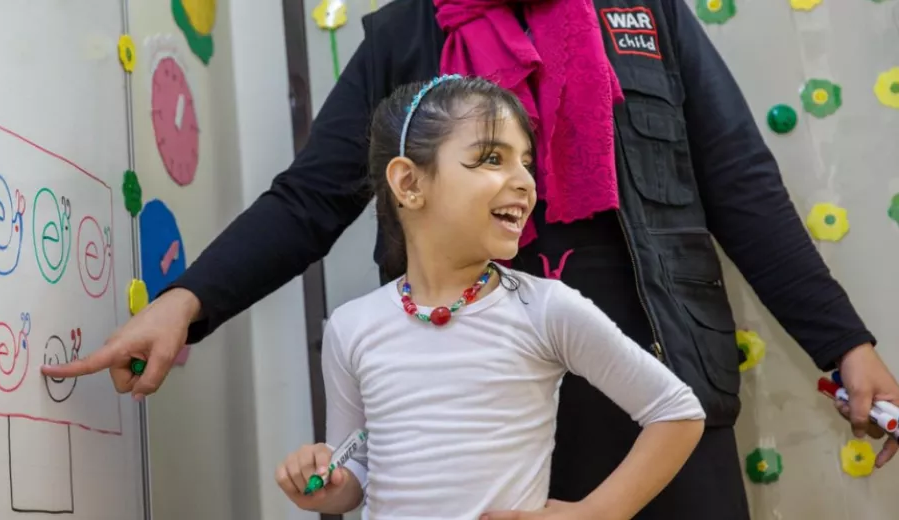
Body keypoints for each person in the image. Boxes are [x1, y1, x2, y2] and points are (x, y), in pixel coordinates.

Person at [43, 0, 899, 517]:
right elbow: (309, 200)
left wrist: (845, 343)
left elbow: (740, 185)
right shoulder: (402, 37)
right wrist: (186, 300)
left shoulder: (648, 14)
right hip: (466, 404)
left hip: (656, 385)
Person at [275, 75, 706, 519]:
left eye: (526, 163)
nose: (524, 182)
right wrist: (333, 484)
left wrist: (595, 513)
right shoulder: (351, 326)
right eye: (491, 158)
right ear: (408, 183)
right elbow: (360, 467)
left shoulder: (545, 310)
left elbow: (677, 412)